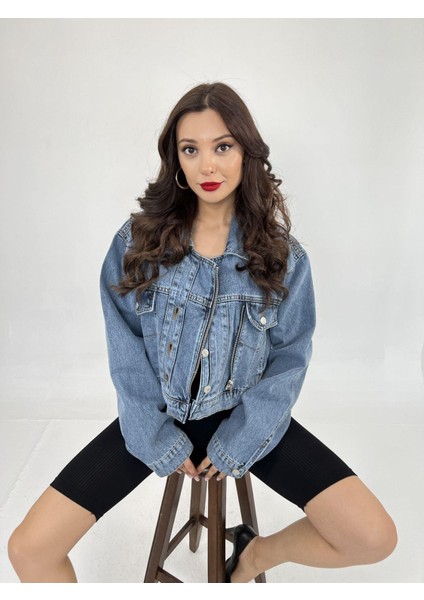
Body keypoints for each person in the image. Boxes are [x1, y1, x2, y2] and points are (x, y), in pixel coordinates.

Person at [8, 82, 397, 583]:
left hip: (246, 418)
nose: (207, 166)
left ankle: (253, 554)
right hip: (156, 419)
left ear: (246, 152)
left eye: (223, 147)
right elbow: (125, 351)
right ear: (176, 159)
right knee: (29, 549)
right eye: (190, 149)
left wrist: (244, 438)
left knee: (374, 537)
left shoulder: (284, 257)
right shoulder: (137, 242)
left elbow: (290, 359)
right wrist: (155, 439)